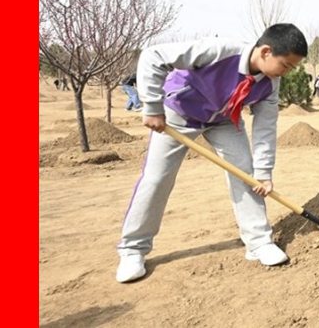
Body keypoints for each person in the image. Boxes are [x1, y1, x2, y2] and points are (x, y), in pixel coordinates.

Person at [114, 24, 308, 283]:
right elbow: (153, 56)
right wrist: (151, 106)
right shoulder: (219, 50)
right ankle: (133, 250)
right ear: (265, 52)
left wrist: (263, 172)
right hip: (178, 113)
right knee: (157, 178)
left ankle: (259, 243)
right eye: (286, 65)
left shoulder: (270, 84)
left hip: (224, 120)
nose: (286, 72)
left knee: (247, 176)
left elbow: (265, 129)